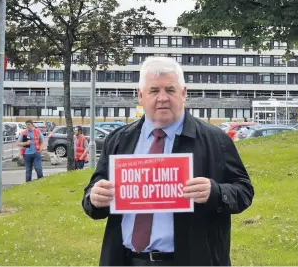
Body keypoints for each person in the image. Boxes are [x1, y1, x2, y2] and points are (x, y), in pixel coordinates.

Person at [82, 56, 254, 266]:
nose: (162, 98)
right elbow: (94, 192)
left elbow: (244, 191)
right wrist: (94, 197)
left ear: (183, 93)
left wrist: (215, 192)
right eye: (154, 91)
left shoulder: (215, 140)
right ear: (140, 95)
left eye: (170, 90)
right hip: (127, 260)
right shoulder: (119, 140)